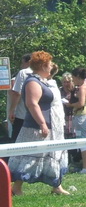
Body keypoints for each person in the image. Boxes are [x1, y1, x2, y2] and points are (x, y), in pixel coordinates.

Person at [8, 52, 69, 195]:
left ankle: (57, 186)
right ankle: (16, 188)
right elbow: (32, 104)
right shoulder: (32, 82)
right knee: (29, 156)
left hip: (53, 125)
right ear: (42, 66)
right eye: (49, 64)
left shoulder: (45, 81)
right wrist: (42, 124)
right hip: (36, 127)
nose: (51, 66)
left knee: (53, 154)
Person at [67, 67, 86, 174]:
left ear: (78, 77)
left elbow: (81, 103)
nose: (73, 80)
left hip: (80, 117)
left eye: (73, 78)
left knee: (82, 141)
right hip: (85, 115)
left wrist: (70, 105)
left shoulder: (82, 88)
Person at [8, 53, 32, 142]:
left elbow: (18, 93)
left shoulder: (23, 72)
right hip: (37, 115)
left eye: (23, 63)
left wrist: (11, 111)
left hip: (22, 115)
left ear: (29, 62)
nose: (21, 65)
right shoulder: (41, 73)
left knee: (17, 141)